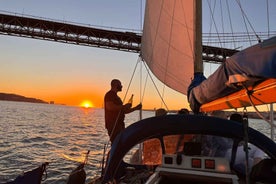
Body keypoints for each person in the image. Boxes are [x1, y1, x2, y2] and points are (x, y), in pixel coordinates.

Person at [104, 79, 142, 144]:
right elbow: (109, 107)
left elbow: (124, 111)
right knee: (116, 144)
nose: (122, 86)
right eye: (120, 85)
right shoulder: (109, 95)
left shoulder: (116, 97)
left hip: (119, 124)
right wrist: (123, 106)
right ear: (116, 85)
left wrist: (135, 108)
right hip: (113, 125)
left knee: (120, 144)